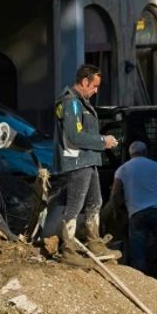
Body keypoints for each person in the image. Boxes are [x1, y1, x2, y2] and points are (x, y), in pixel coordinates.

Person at [53, 64, 119, 266]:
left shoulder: (80, 102)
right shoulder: (71, 102)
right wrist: (102, 141)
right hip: (78, 161)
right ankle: (68, 249)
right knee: (75, 205)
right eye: (94, 86)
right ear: (84, 82)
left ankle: (94, 243)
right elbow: (74, 135)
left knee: (95, 201)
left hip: (88, 161)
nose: (96, 90)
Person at [110, 141, 157, 289]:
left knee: (139, 253)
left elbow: (114, 194)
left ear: (130, 153)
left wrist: (115, 211)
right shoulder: (155, 166)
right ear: (145, 152)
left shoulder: (122, 170)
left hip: (137, 214)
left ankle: (141, 287)